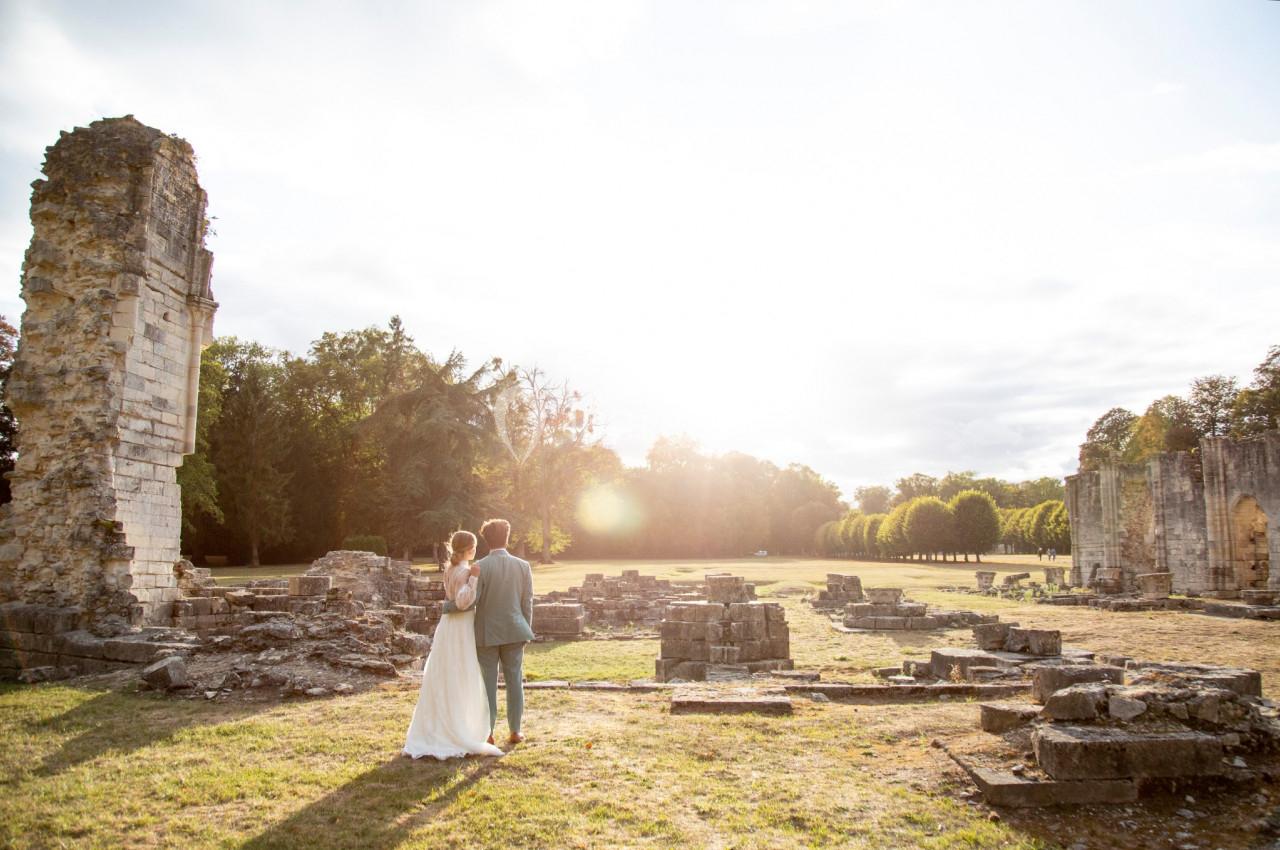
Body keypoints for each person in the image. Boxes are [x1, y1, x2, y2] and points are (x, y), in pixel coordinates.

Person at [403, 530, 504, 760]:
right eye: (474, 546)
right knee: (461, 671)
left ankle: (440, 724)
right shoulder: (466, 571)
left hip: (447, 625)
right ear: (468, 548)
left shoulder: (449, 569)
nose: (476, 550)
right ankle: (459, 728)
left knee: (446, 673)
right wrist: (475, 578)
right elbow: (461, 601)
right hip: (460, 626)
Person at [441, 518, 534, 745]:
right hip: (515, 630)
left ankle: (489, 732)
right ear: (507, 537)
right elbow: (527, 602)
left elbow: (472, 602)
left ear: (485, 539)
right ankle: (515, 730)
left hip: (486, 633)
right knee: (515, 682)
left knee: (487, 684)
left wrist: (447, 607)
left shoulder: (480, 566)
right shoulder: (523, 566)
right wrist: (526, 628)